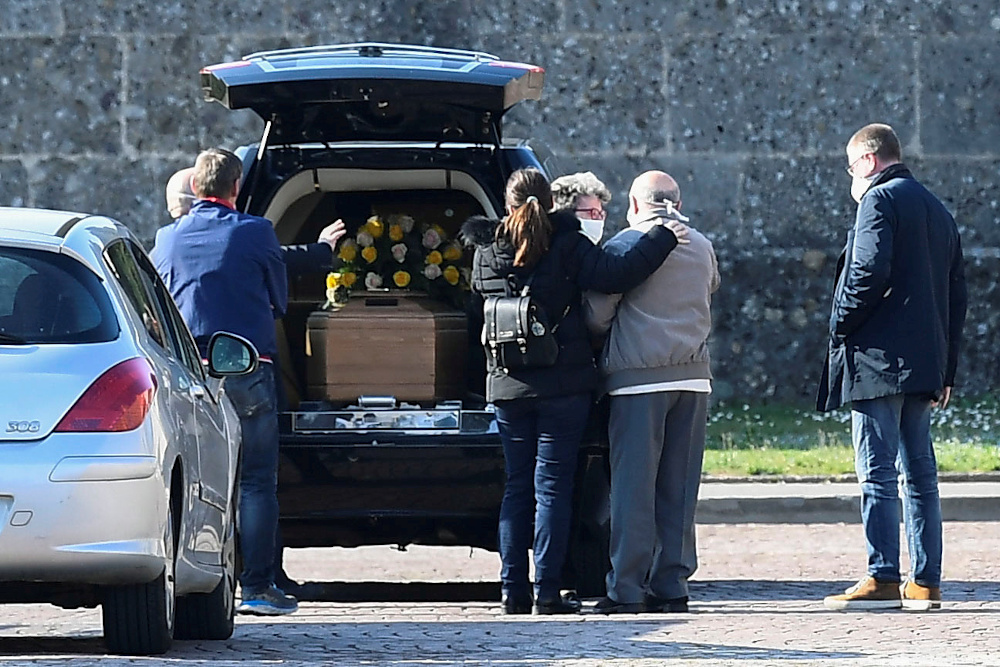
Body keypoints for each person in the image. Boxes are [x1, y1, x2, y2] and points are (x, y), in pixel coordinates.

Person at [462, 167, 689, 615]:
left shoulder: (486, 251)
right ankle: (547, 592)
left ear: (505, 203)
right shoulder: (566, 241)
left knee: (516, 488)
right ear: (549, 201)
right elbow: (615, 274)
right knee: (552, 488)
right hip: (563, 384)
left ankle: (513, 590)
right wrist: (662, 237)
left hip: (507, 384)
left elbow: (476, 309)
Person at [151, 148, 332, 616]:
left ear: (195, 188)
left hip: (190, 378)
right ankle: (256, 588)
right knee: (254, 481)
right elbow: (278, 300)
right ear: (237, 188)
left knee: (195, 481)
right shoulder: (256, 232)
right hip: (247, 370)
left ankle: (200, 578)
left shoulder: (167, 240)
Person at [817, 123, 967, 611]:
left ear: (866, 161)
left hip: (878, 359)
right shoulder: (937, 208)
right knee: (920, 475)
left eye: (850, 168)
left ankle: (882, 575)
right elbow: (956, 296)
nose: (850, 179)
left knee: (877, 472)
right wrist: (947, 369)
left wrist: (839, 323)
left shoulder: (878, 201)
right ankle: (926, 581)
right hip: (925, 360)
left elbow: (867, 270)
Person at [584, 171, 719, 614]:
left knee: (633, 488)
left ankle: (626, 588)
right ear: (677, 203)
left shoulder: (624, 245)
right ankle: (672, 584)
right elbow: (709, 290)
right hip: (694, 378)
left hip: (638, 378)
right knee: (679, 488)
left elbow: (597, 313)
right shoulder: (701, 245)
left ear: (636, 205)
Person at [551, 171, 612, 244]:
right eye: (594, 213)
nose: (599, 220)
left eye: (601, 214)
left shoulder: (592, 250)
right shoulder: (547, 248)